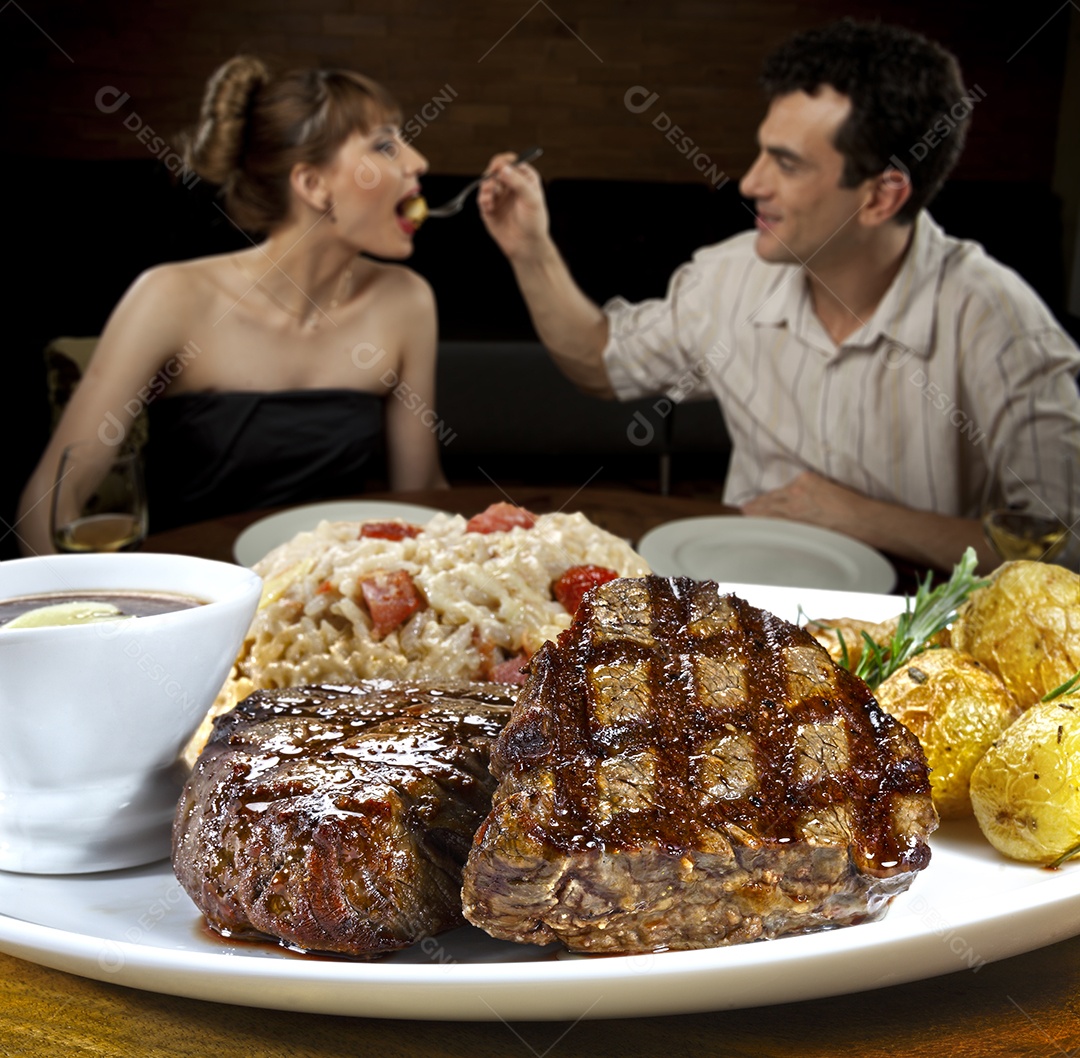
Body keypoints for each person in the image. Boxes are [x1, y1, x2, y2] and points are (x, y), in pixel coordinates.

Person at [476, 19, 1080, 573]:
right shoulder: (729, 277)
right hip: (740, 608)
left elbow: (1065, 543)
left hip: (917, 631)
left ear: (880, 197)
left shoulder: (1002, 325)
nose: (751, 181)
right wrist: (530, 249)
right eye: (763, 149)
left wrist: (860, 517)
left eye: (786, 164)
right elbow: (602, 363)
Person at [17, 54, 447, 555]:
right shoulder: (171, 297)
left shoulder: (406, 301)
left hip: (326, 612)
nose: (418, 162)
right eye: (385, 145)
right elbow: (46, 507)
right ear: (312, 183)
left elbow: (418, 502)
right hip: (188, 607)